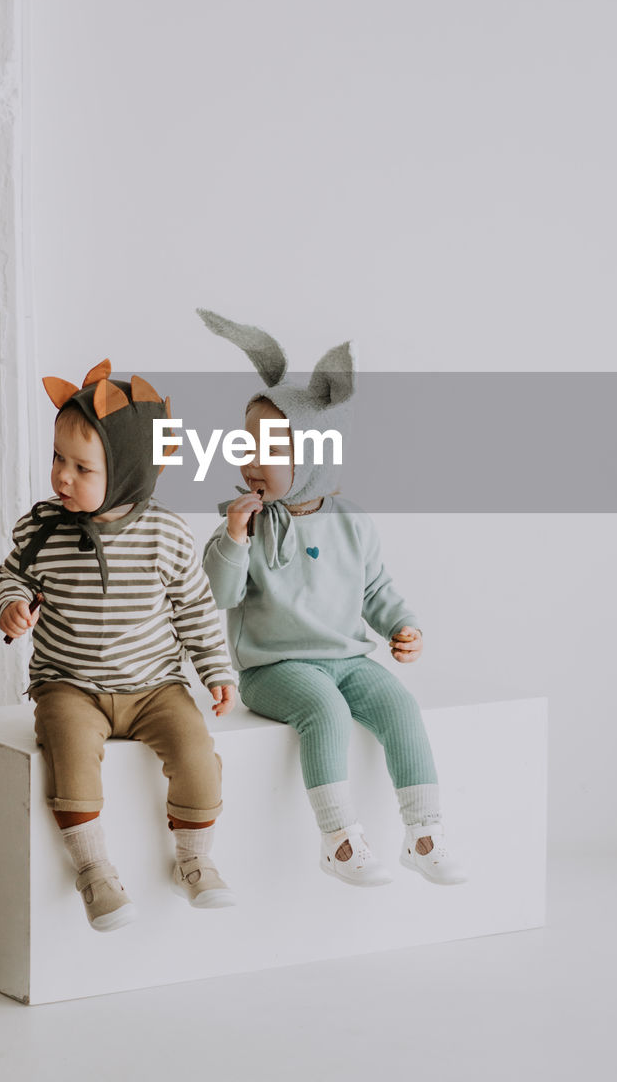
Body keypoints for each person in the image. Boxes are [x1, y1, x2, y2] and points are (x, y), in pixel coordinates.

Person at [198, 310, 467, 888]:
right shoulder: (245, 523)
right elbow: (218, 594)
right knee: (326, 711)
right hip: (275, 668)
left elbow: (375, 588)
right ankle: (339, 840)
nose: (249, 461)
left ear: (315, 457)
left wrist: (402, 624)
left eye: (267, 449)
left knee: (399, 706)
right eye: (244, 445)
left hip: (347, 659)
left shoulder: (353, 523)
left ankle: (424, 833)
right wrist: (234, 541)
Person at [0, 359, 237, 931]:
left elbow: (196, 608)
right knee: (70, 760)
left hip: (155, 687)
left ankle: (195, 862)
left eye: (82, 467)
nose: (62, 478)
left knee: (198, 754)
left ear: (127, 471)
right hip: (69, 685)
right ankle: (94, 871)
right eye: (58, 460)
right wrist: (11, 605)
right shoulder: (43, 530)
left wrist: (215, 671)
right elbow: (11, 576)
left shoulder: (166, 535)